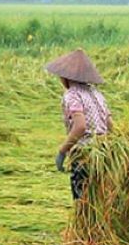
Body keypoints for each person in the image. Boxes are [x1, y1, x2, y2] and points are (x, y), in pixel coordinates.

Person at [45, 49, 113, 201]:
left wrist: (63, 151)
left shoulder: (72, 95)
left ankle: (84, 225)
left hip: (85, 154)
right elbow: (111, 125)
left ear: (65, 77)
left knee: (83, 202)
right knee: (100, 199)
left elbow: (80, 126)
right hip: (103, 152)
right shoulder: (97, 94)